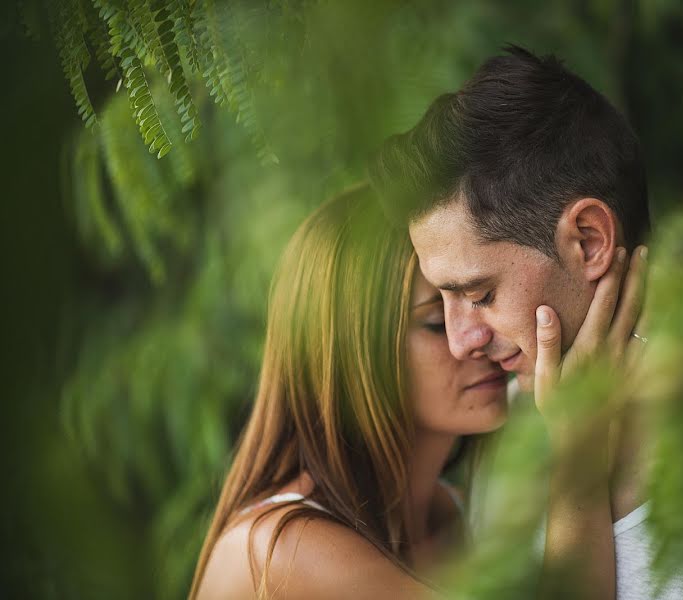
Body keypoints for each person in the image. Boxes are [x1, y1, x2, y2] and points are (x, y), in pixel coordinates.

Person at [370, 45, 683, 599]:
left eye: (481, 293)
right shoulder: (513, 421)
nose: (462, 342)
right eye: (442, 301)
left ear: (589, 242)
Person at [189, 184, 643, 599]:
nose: (474, 338)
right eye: (433, 321)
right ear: (355, 354)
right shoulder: (288, 548)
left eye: (479, 299)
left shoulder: (454, 514)